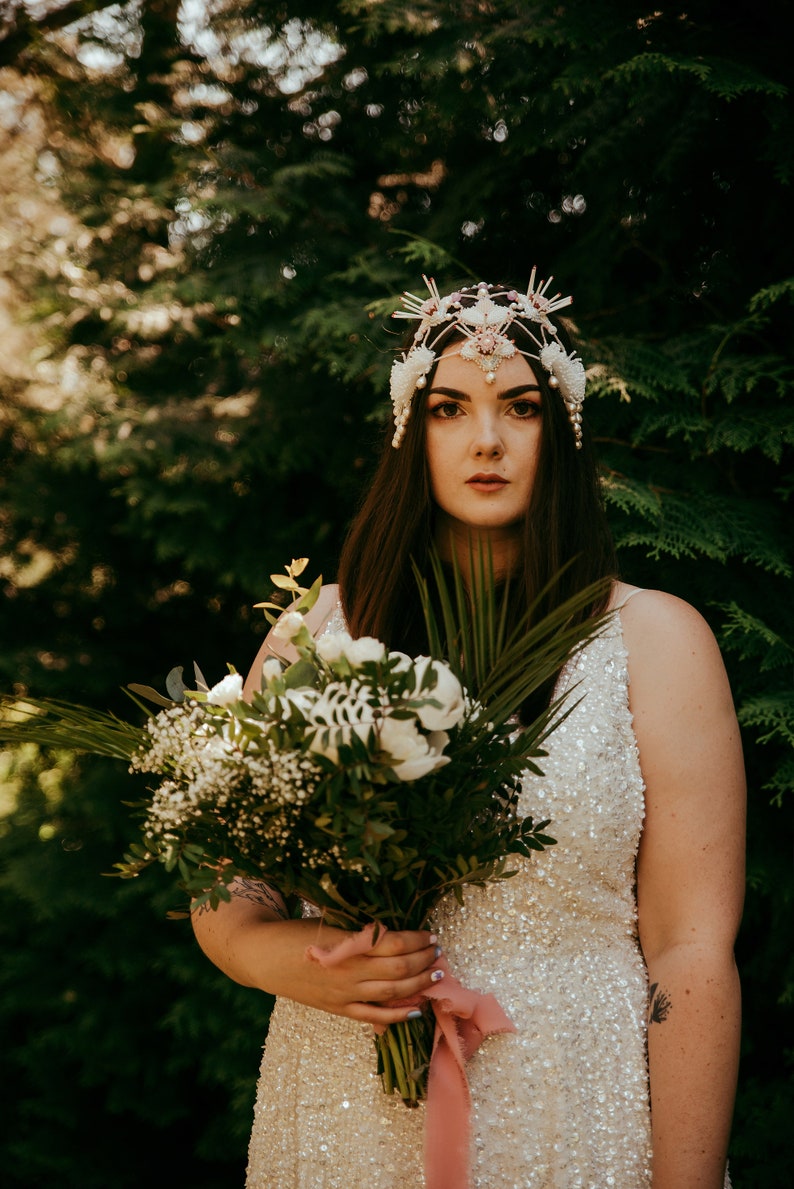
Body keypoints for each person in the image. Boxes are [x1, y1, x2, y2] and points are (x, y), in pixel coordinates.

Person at [191, 275, 745, 1188]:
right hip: (345, 1106)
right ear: (413, 431)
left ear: (560, 429)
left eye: (518, 407)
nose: (486, 440)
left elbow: (690, 953)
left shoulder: (655, 639)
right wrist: (297, 962)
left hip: (576, 1107)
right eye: (451, 407)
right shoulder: (316, 636)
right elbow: (228, 892)